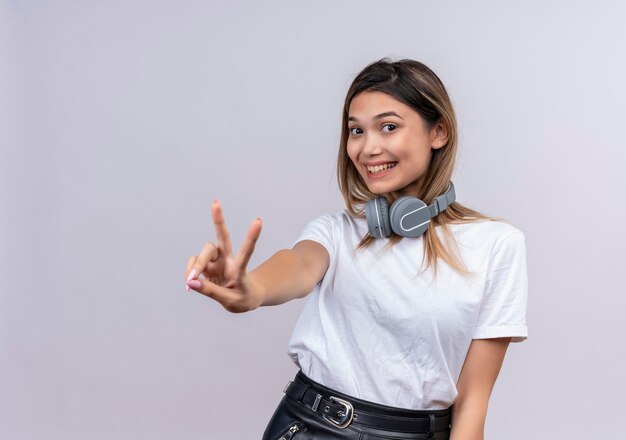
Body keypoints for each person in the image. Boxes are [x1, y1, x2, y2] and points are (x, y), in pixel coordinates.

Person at [184, 58, 528, 440]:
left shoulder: (497, 244)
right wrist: (250, 289)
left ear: (439, 132)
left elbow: (472, 405)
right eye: (356, 131)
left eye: (389, 127)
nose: (368, 148)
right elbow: (296, 266)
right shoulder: (336, 232)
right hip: (315, 428)